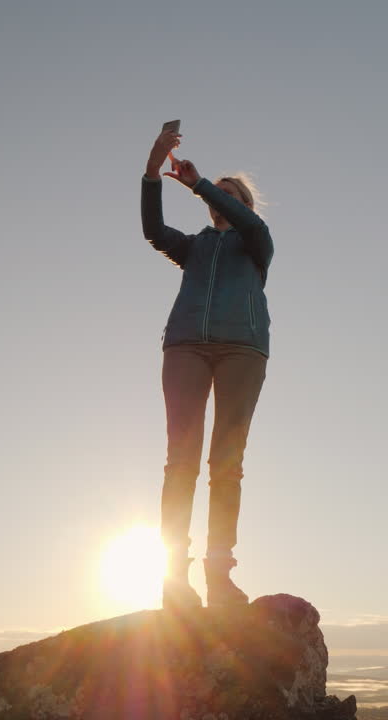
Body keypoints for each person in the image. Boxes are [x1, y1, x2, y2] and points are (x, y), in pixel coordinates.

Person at [141, 126, 273, 610]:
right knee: (180, 462)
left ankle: (220, 574)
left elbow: (249, 224)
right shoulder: (194, 247)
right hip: (185, 349)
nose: (221, 201)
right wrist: (152, 171)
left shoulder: (257, 243)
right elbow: (153, 232)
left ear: (243, 206)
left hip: (243, 350)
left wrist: (202, 185)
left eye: (230, 195)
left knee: (227, 466)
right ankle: (174, 577)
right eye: (217, 196)